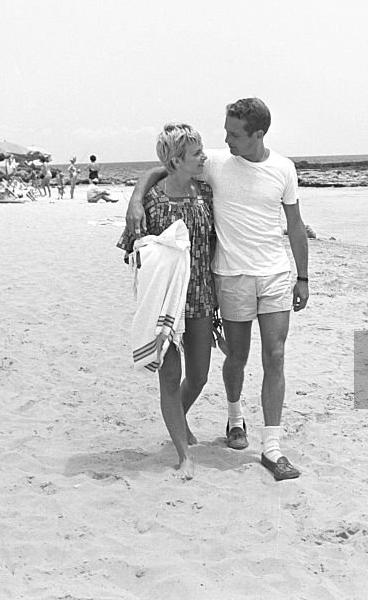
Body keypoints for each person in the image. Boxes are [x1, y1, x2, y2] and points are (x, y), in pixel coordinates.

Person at [127, 98, 309, 481]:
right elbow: (162, 168)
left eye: (234, 133)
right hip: (218, 282)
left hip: (257, 278)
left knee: (270, 356)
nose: (225, 140)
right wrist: (134, 199)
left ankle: (271, 446)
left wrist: (303, 276)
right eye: (225, 132)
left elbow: (294, 224)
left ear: (258, 134)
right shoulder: (215, 163)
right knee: (236, 357)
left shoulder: (281, 169)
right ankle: (225, 423)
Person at [117, 123, 217, 480]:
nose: (204, 156)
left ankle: (179, 419)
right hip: (165, 304)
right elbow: (134, 252)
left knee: (201, 375)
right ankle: (182, 453)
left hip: (202, 296)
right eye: (196, 153)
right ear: (176, 161)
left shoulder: (205, 191)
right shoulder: (151, 202)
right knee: (170, 378)